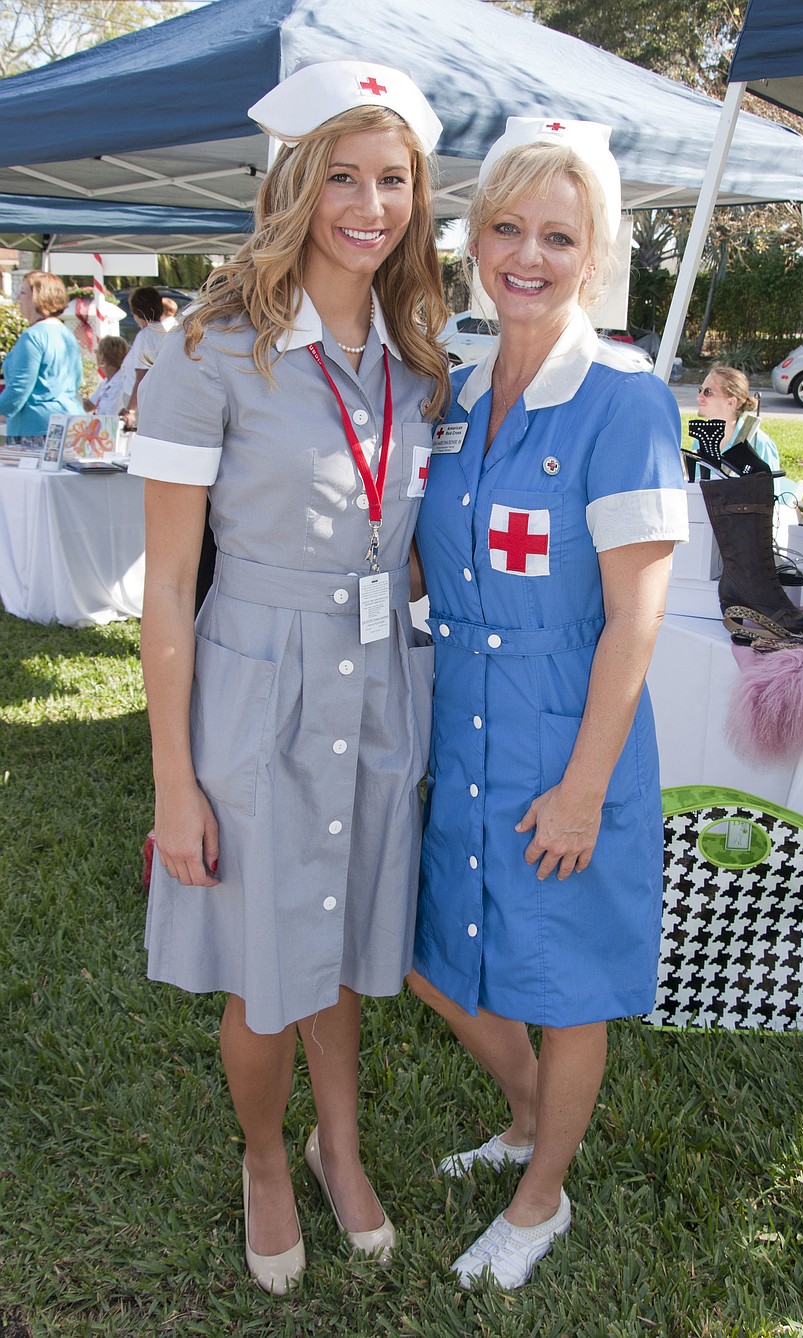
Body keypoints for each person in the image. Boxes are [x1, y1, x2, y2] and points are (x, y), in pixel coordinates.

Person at [129, 60, 447, 1295]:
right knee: (268, 965)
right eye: (344, 178)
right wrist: (174, 784)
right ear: (298, 183)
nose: (369, 206)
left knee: (349, 928)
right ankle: (265, 1156)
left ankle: (340, 1144)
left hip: (378, 678)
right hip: (256, 682)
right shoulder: (209, 349)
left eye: (393, 180)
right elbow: (163, 585)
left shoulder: (418, 360)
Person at [408, 117, 689, 1290]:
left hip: (569, 732)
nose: (526, 254)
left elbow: (638, 616)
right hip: (463, 714)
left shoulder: (624, 401)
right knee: (437, 957)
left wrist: (582, 791)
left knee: (565, 985)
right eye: (507, 227)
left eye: (557, 236)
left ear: (596, 252)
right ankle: (531, 1118)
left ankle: (542, 1198)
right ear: (474, 235)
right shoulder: (459, 390)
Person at [0, 272, 83, 436]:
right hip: (70, 421)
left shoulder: (32, 336)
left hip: (36, 427)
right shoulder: (66, 334)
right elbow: (77, 380)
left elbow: (19, 387)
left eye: (23, 292)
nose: (18, 298)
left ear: (38, 297)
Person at [695, 364, 782, 488]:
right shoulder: (700, 441)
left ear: (730, 402)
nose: (699, 397)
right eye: (700, 390)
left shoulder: (759, 443)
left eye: (707, 392)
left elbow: (772, 500)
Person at [119, 287, 168, 425]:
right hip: (155, 403)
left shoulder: (145, 336)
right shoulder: (163, 332)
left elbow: (142, 376)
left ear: (136, 311)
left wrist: (131, 410)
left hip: (141, 405)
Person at [82, 335, 130, 416]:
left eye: (97, 352)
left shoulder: (123, 382)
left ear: (102, 357)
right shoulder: (106, 382)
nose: (96, 355)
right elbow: (89, 405)